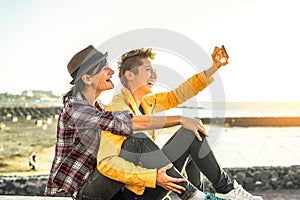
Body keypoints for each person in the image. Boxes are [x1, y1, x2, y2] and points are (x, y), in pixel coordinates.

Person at [44, 45, 221, 200]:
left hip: (114, 185)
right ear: (87, 78)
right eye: (104, 69)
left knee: (187, 139)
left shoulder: (100, 107)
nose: (111, 71)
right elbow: (125, 124)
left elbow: (177, 95)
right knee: (136, 140)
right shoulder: (76, 108)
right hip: (86, 191)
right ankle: (194, 195)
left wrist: (213, 68)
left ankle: (212, 192)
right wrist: (180, 119)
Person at [96, 47, 263, 200]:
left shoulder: (148, 103)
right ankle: (226, 189)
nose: (154, 76)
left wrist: (214, 68)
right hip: (135, 193)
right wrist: (152, 176)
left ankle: (208, 193)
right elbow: (107, 162)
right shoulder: (117, 108)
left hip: (152, 182)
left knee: (191, 140)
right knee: (188, 133)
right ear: (129, 75)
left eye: (154, 71)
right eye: (148, 71)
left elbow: (179, 94)